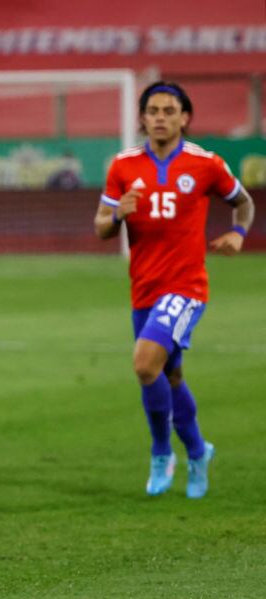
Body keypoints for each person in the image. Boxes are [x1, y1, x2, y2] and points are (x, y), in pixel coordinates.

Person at [94, 81, 254, 499]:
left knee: (145, 364)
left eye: (169, 110)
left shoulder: (206, 164)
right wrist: (116, 218)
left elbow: (244, 202)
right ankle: (199, 451)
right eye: (153, 110)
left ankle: (161, 452)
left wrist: (238, 232)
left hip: (186, 287)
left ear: (185, 118)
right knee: (170, 374)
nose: (161, 117)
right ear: (143, 118)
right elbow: (100, 227)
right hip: (144, 288)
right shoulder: (123, 166)